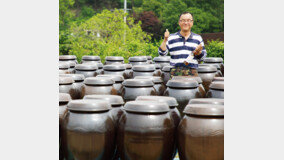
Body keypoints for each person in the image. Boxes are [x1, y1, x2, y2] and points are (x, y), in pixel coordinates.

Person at [158, 11, 207, 77]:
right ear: (179, 23)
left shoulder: (198, 38)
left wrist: (198, 52)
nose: (186, 23)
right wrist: (165, 40)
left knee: (193, 87)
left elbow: (202, 57)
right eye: (183, 20)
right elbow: (162, 53)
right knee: (174, 87)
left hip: (192, 71)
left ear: (192, 22)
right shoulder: (171, 37)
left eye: (188, 20)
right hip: (175, 72)